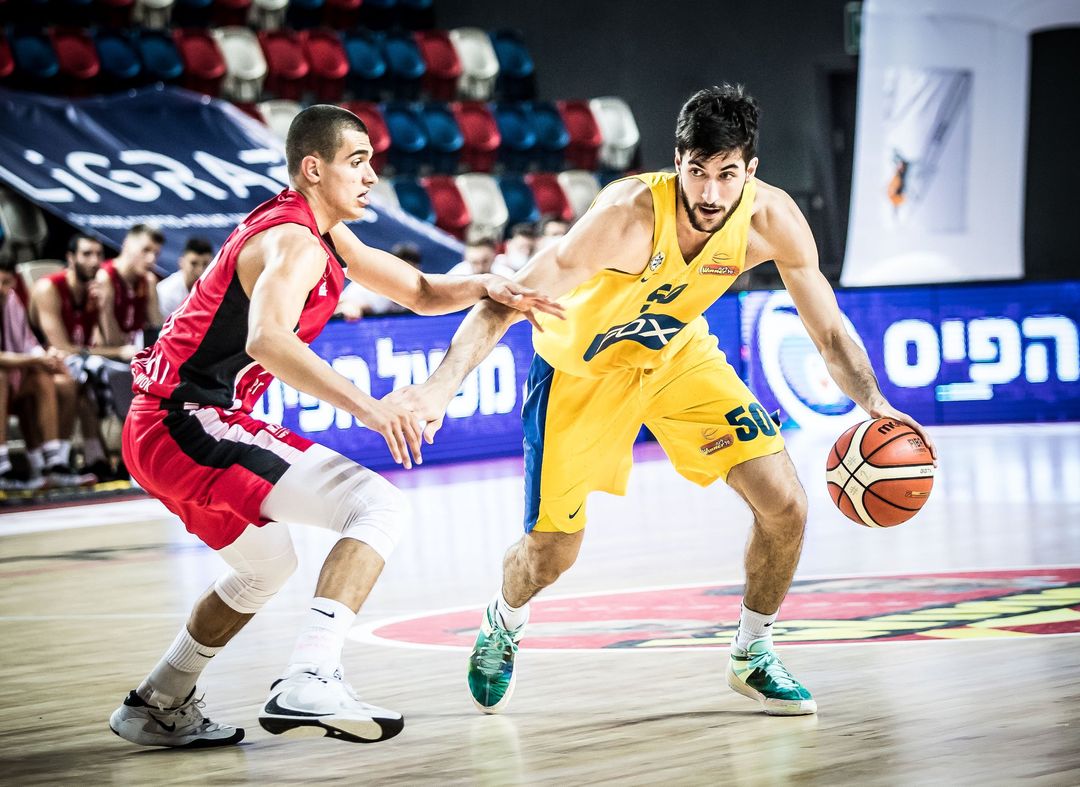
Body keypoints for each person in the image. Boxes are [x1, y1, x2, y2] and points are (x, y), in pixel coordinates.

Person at [390, 84, 938, 717]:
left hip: (677, 357)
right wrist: (440, 385)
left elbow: (831, 332)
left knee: (786, 505)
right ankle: (504, 618)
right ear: (678, 161)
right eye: (697, 171)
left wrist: (873, 402)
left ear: (750, 170)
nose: (710, 193)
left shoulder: (772, 220)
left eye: (727, 174)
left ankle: (752, 652)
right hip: (580, 374)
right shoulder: (625, 219)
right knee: (551, 554)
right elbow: (502, 303)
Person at [108, 104, 561, 749]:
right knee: (376, 506)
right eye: (357, 162)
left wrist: (486, 284)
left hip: (163, 428)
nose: (372, 176)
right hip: (185, 421)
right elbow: (268, 340)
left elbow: (420, 291)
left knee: (263, 570)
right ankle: (310, 677)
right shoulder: (293, 240)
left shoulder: (324, 234)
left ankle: (158, 701)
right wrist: (372, 409)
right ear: (313, 169)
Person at [29, 232, 135, 477]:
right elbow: (62, 347)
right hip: (39, 366)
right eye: (87, 254)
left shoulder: (94, 292)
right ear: (70, 258)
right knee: (85, 375)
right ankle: (84, 459)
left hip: (74, 365)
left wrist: (105, 307)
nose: (94, 261)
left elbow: (111, 342)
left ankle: (103, 459)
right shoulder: (49, 288)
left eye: (99, 254)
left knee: (114, 374)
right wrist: (117, 351)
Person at [0, 259, 94, 490]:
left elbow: (28, 344)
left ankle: (54, 464)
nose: (3, 288)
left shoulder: (11, 299)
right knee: (0, 378)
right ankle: (3, 468)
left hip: (15, 377)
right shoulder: (49, 288)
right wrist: (36, 359)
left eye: (7, 282)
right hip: (5, 378)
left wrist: (49, 357)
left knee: (57, 380)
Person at [97, 223, 165, 348]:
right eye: (146, 250)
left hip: (134, 353)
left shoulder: (148, 281)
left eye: (156, 254)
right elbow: (108, 340)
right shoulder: (105, 277)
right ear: (127, 244)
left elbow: (157, 327)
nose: (151, 259)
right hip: (105, 354)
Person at [335, 241, 422, 320]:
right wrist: (350, 308)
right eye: (402, 271)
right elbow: (345, 305)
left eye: (411, 271)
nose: (405, 277)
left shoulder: (418, 292)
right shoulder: (370, 285)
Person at [156, 237, 214, 318]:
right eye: (193, 264)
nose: (200, 270)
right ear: (181, 263)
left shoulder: (216, 290)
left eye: (205, 264)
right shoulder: (166, 292)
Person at [447, 237, 514, 278]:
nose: (480, 268)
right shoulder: (456, 276)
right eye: (474, 262)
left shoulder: (507, 275)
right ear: (465, 259)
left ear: (494, 256)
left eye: (485, 261)